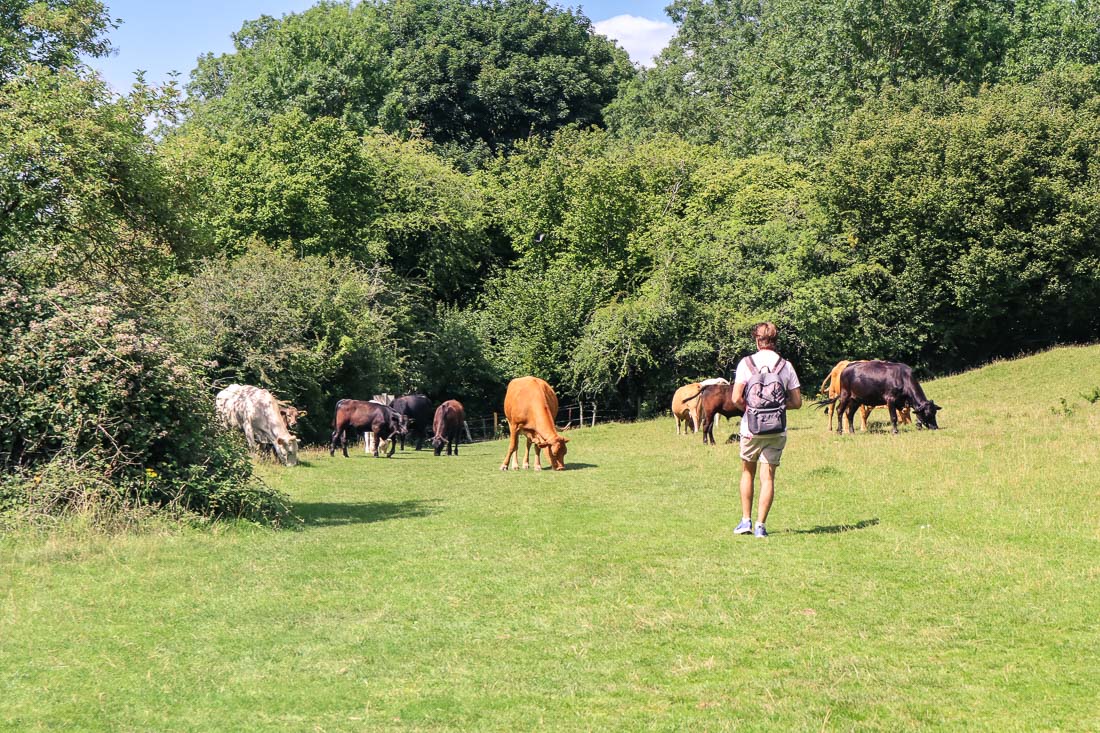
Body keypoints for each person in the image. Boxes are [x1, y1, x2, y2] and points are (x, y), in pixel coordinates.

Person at [731, 322, 802, 538]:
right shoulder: (785, 365)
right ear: (775, 340)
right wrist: (778, 407)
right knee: (768, 477)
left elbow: (735, 398)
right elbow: (797, 402)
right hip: (777, 429)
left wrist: (751, 410)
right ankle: (761, 526)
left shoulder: (746, 363)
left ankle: (745, 521)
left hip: (750, 429)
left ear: (756, 340)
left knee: (747, 472)